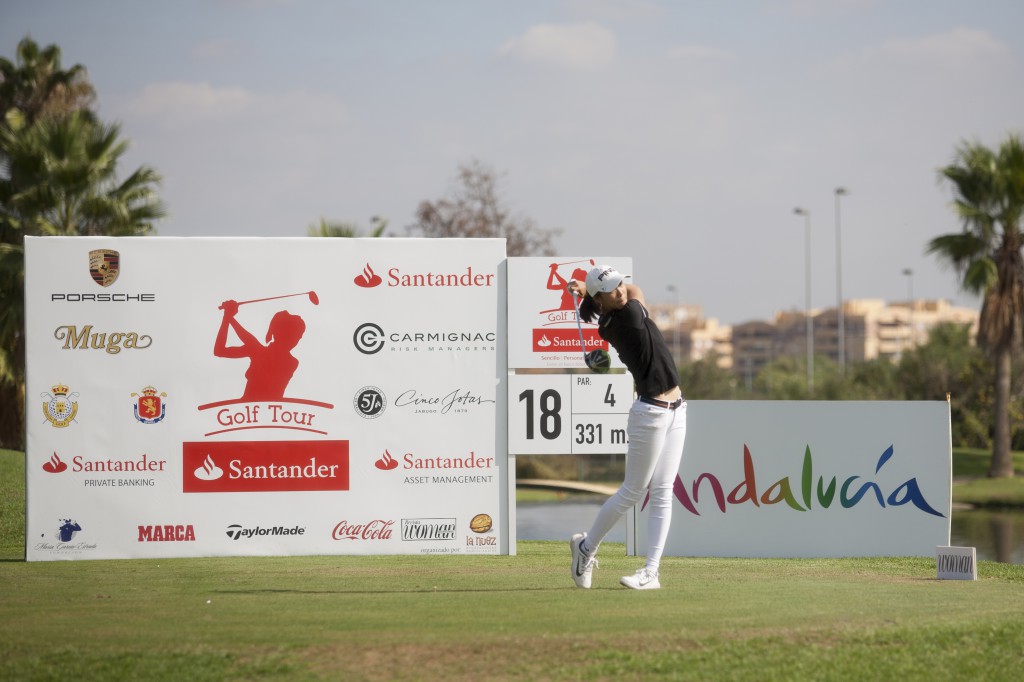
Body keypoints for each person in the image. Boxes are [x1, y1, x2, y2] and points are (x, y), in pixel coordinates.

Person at [566, 265, 687, 590]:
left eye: (619, 283)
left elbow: (627, 290)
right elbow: (636, 291)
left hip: (677, 409)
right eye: (611, 289)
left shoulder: (609, 318)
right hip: (650, 414)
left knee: (663, 491)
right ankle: (586, 548)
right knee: (633, 491)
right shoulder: (627, 317)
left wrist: (586, 289)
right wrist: (587, 289)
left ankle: (651, 572)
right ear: (600, 300)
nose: (620, 290)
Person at [214, 300, 306, 401]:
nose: (296, 340)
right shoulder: (258, 350)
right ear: (279, 333)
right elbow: (219, 351)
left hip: (264, 409)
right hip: (250, 408)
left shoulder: (291, 362)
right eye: (293, 336)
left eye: (298, 337)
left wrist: (228, 317)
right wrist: (227, 318)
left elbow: (252, 344)